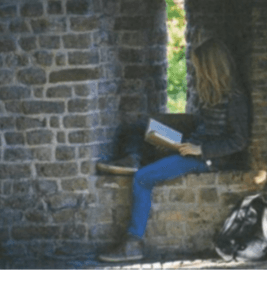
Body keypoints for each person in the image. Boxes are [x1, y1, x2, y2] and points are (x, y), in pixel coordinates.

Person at [98, 37, 250, 263]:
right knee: (143, 128)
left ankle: (133, 243)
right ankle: (132, 158)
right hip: (190, 147)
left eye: (200, 67)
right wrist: (177, 142)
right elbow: (205, 128)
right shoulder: (211, 93)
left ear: (212, 67)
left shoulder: (236, 99)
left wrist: (200, 149)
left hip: (206, 158)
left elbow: (239, 141)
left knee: (142, 178)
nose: (197, 71)